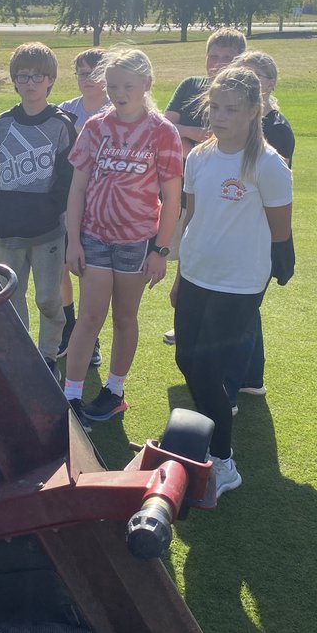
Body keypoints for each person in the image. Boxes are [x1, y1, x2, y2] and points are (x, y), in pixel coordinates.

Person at [171, 65, 293, 495]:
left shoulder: (268, 164)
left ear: (254, 111)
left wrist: (277, 265)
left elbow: (281, 230)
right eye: (215, 108)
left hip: (239, 283)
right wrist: (179, 272)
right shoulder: (199, 156)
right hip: (197, 273)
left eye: (231, 110)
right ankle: (205, 443)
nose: (219, 117)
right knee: (186, 359)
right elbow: (190, 216)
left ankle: (223, 464)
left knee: (206, 370)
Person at [63, 48, 183, 426]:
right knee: (89, 317)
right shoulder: (95, 126)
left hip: (136, 242)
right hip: (94, 237)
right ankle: (70, 397)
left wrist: (160, 251)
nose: (119, 93)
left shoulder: (163, 132)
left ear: (146, 85)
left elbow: (172, 197)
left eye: (128, 85)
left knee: (125, 317)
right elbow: (77, 188)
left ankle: (114, 390)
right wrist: (73, 241)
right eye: (112, 85)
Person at [0, 43, 77, 377]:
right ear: (15, 81)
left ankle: (49, 355)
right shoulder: (2, 124)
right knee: (12, 298)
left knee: (48, 298)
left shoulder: (62, 125)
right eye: (23, 76)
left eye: (38, 76)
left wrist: (50, 211)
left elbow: (68, 179)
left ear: (50, 80)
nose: (30, 83)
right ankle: (22, 358)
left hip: (48, 231)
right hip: (8, 231)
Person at [161, 27, 247, 345]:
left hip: (222, 190)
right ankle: (183, 322)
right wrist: (196, 136)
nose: (219, 64)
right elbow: (165, 124)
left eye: (228, 58)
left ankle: (205, 326)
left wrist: (189, 139)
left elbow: (226, 141)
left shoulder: (243, 96)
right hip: (183, 186)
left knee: (210, 257)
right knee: (187, 254)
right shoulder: (190, 85)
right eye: (214, 57)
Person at [223, 50, 294, 408]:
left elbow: (266, 191)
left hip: (258, 235)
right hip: (236, 232)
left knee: (242, 313)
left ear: (270, 83)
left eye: (257, 76)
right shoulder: (238, 123)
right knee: (246, 310)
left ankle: (231, 387)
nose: (249, 83)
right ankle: (251, 378)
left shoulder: (276, 129)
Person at [55, 48, 111, 365]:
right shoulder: (65, 110)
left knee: (90, 274)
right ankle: (69, 327)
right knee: (62, 266)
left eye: (93, 72)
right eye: (81, 73)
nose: (87, 78)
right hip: (68, 200)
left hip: (101, 205)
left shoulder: (115, 111)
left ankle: (92, 339)